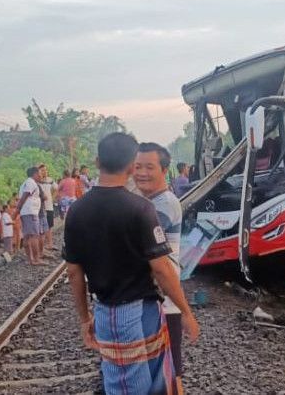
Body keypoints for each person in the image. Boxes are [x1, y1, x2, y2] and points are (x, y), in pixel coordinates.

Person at [64, 133, 199, 395]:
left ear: (96, 161)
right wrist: (186, 311)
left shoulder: (76, 211)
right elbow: (161, 268)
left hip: (112, 312)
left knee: (126, 384)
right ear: (129, 167)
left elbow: (73, 272)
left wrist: (84, 318)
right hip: (148, 307)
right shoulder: (140, 208)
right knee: (157, 378)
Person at [134, 142, 187, 392]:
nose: (141, 173)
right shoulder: (150, 203)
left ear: (164, 170)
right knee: (166, 371)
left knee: (169, 374)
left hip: (165, 300)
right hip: (160, 299)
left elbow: (142, 251)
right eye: (137, 167)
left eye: (149, 167)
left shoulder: (163, 205)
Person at [17, 166, 43, 265]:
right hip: (30, 212)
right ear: (35, 174)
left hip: (26, 212)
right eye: (39, 173)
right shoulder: (31, 183)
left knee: (27, 236)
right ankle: (36, 259)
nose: (40, 175)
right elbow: (24, 197)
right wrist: (16, 210)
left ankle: (30, 259)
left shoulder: (26, 182)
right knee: (33, 236)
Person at [38, 164, 56, 250]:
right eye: (42, 170)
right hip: (40, 208)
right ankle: (42, 246)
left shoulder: (50, 180)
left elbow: (56, 188)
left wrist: (52, 198)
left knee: (50, 226)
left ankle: (50, 244)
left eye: (45, 170)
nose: (44, 171)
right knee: (41, 228)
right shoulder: (37, 181)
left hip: (49, 206)